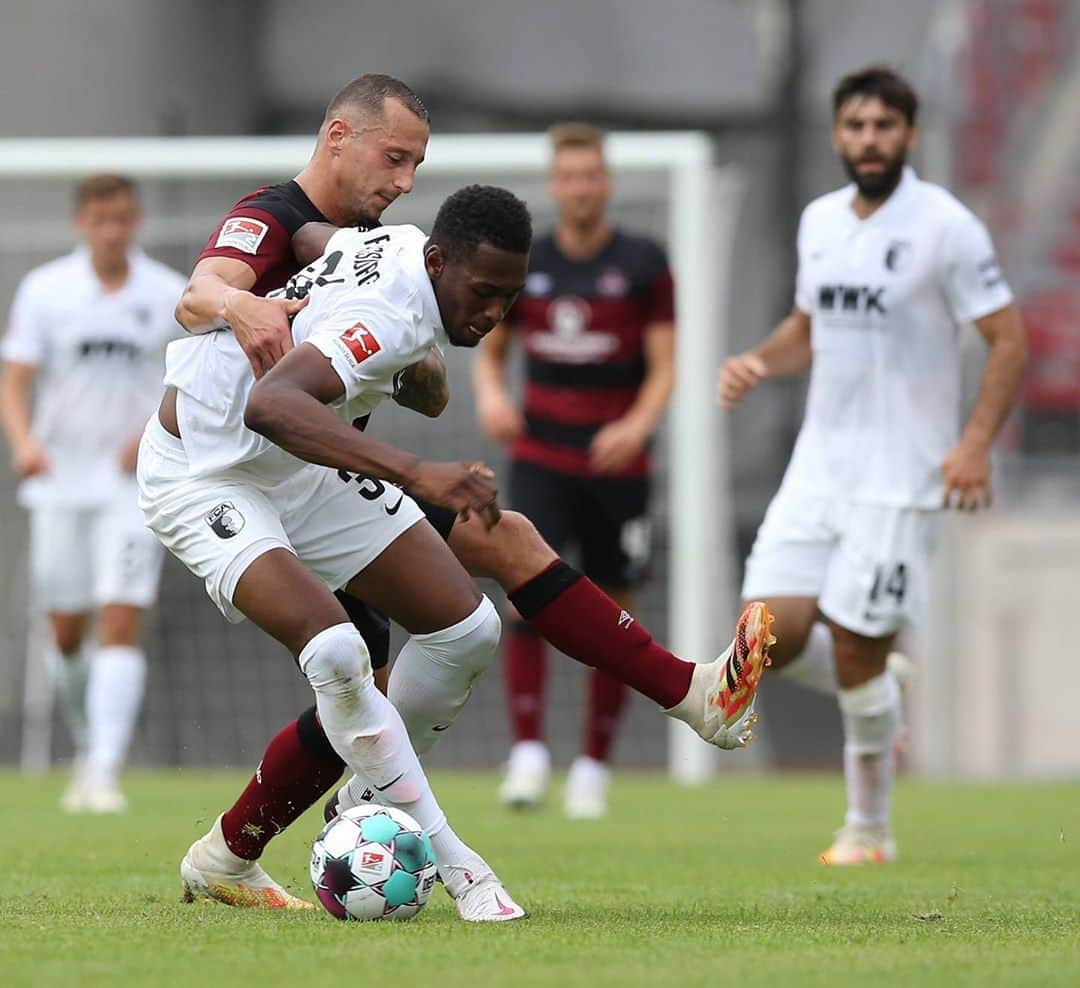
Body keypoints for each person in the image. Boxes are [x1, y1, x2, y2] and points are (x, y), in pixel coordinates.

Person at [174, 74, 772, 910]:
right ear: (338, 138)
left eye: (419, 163)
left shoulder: (383, 242)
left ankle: (692, 694)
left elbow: (384, 334)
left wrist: (412, 362)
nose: (405, 179)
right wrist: (243, 306)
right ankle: (440, 850)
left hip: (308, 464)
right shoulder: (270, 211)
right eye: (395, 157)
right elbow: (201, 292)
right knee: (350, 663)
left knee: (483, 584)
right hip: (221, 467)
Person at [718, 66, 1027, 865]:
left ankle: (868, 829)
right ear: (837, 135)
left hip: (901, 477)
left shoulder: (945, 226)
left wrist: (973, 445)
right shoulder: (821, 220)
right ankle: (881, 683)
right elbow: (807, 325)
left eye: (884, 127)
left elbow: (1009, 337)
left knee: (855, 648)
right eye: (855, 126)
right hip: (819, 466)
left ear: (909, 136)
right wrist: (758, 361)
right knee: (763, 639)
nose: (868, 140)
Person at [473, 123, 676, 818]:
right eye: (570, 176)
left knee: (614, 609)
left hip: (618, 462)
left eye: (592, 174)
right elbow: (492, 351)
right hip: (542, 457)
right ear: (555, 184)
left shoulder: (645, 262)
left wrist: (637, 425)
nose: (582, 187)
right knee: (524, 592)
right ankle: (528, 752)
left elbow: (665, 365)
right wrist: (492, 396)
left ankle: (594, 765)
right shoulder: (529, 262)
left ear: (606, 181)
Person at [0, 173, 187, 812]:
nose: (114, 230)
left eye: (125, 218)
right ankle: (88, 741)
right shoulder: (46, 290)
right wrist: (24, 443)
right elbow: (15, 378)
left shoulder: (166, 293)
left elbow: (188, 381)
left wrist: (153, 431)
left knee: (120, 614)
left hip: (132, 487)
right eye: (102, 219)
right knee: (66, 632)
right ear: (82, 222)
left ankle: (104, 769)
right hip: (57, 484)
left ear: (136, 222)